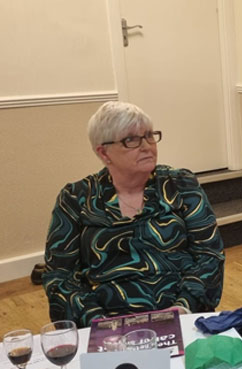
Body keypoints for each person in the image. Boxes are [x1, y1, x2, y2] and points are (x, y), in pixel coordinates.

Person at [43, 101, 225, 327]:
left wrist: (183, 305)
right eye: (131, 140)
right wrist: (96, 319)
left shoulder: (180, 184)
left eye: (149, 135)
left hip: (182, 314)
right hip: (105, 320)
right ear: (103, 152)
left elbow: (210, 255)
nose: (147, 146)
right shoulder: (76, 198)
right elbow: (60, 276)